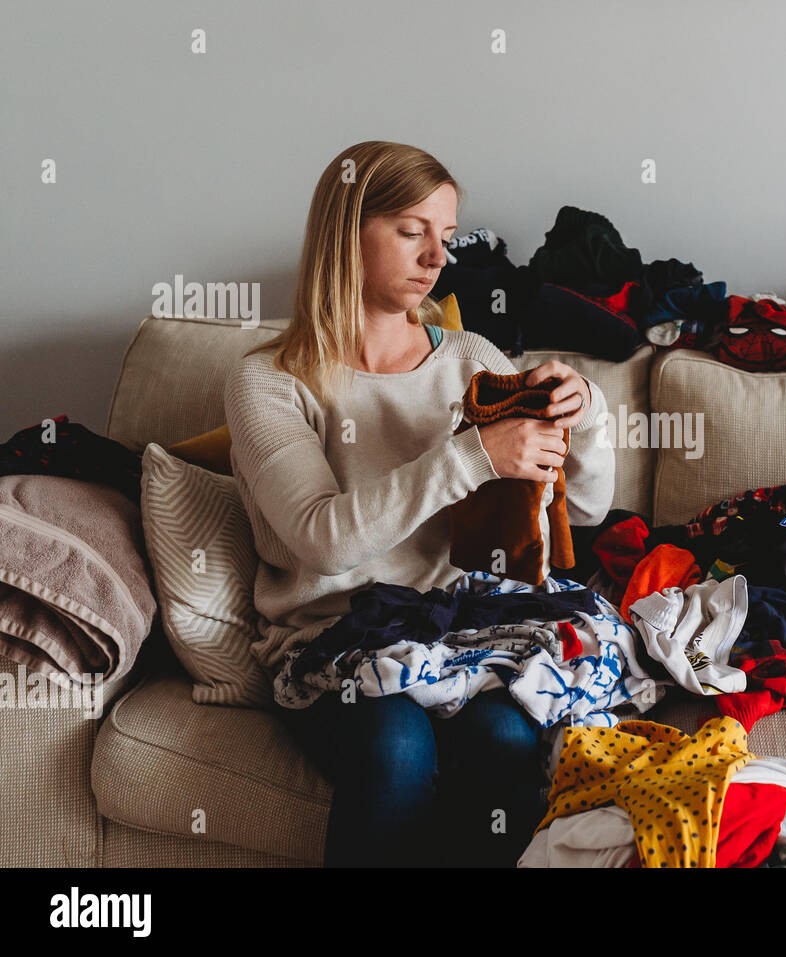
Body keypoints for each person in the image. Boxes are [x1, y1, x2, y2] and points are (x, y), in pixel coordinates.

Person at [221, 140, 615, 867]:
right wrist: (472, 456)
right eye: (413, 231)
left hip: (465, 627)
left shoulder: (470, 358)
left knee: (505, 736)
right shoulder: (269, 381)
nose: (438, 257)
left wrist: (586, 413)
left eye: (447, 236)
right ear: (348, 232)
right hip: (335, 639)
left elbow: (584, 510)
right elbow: (323, 539)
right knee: (396, 746)